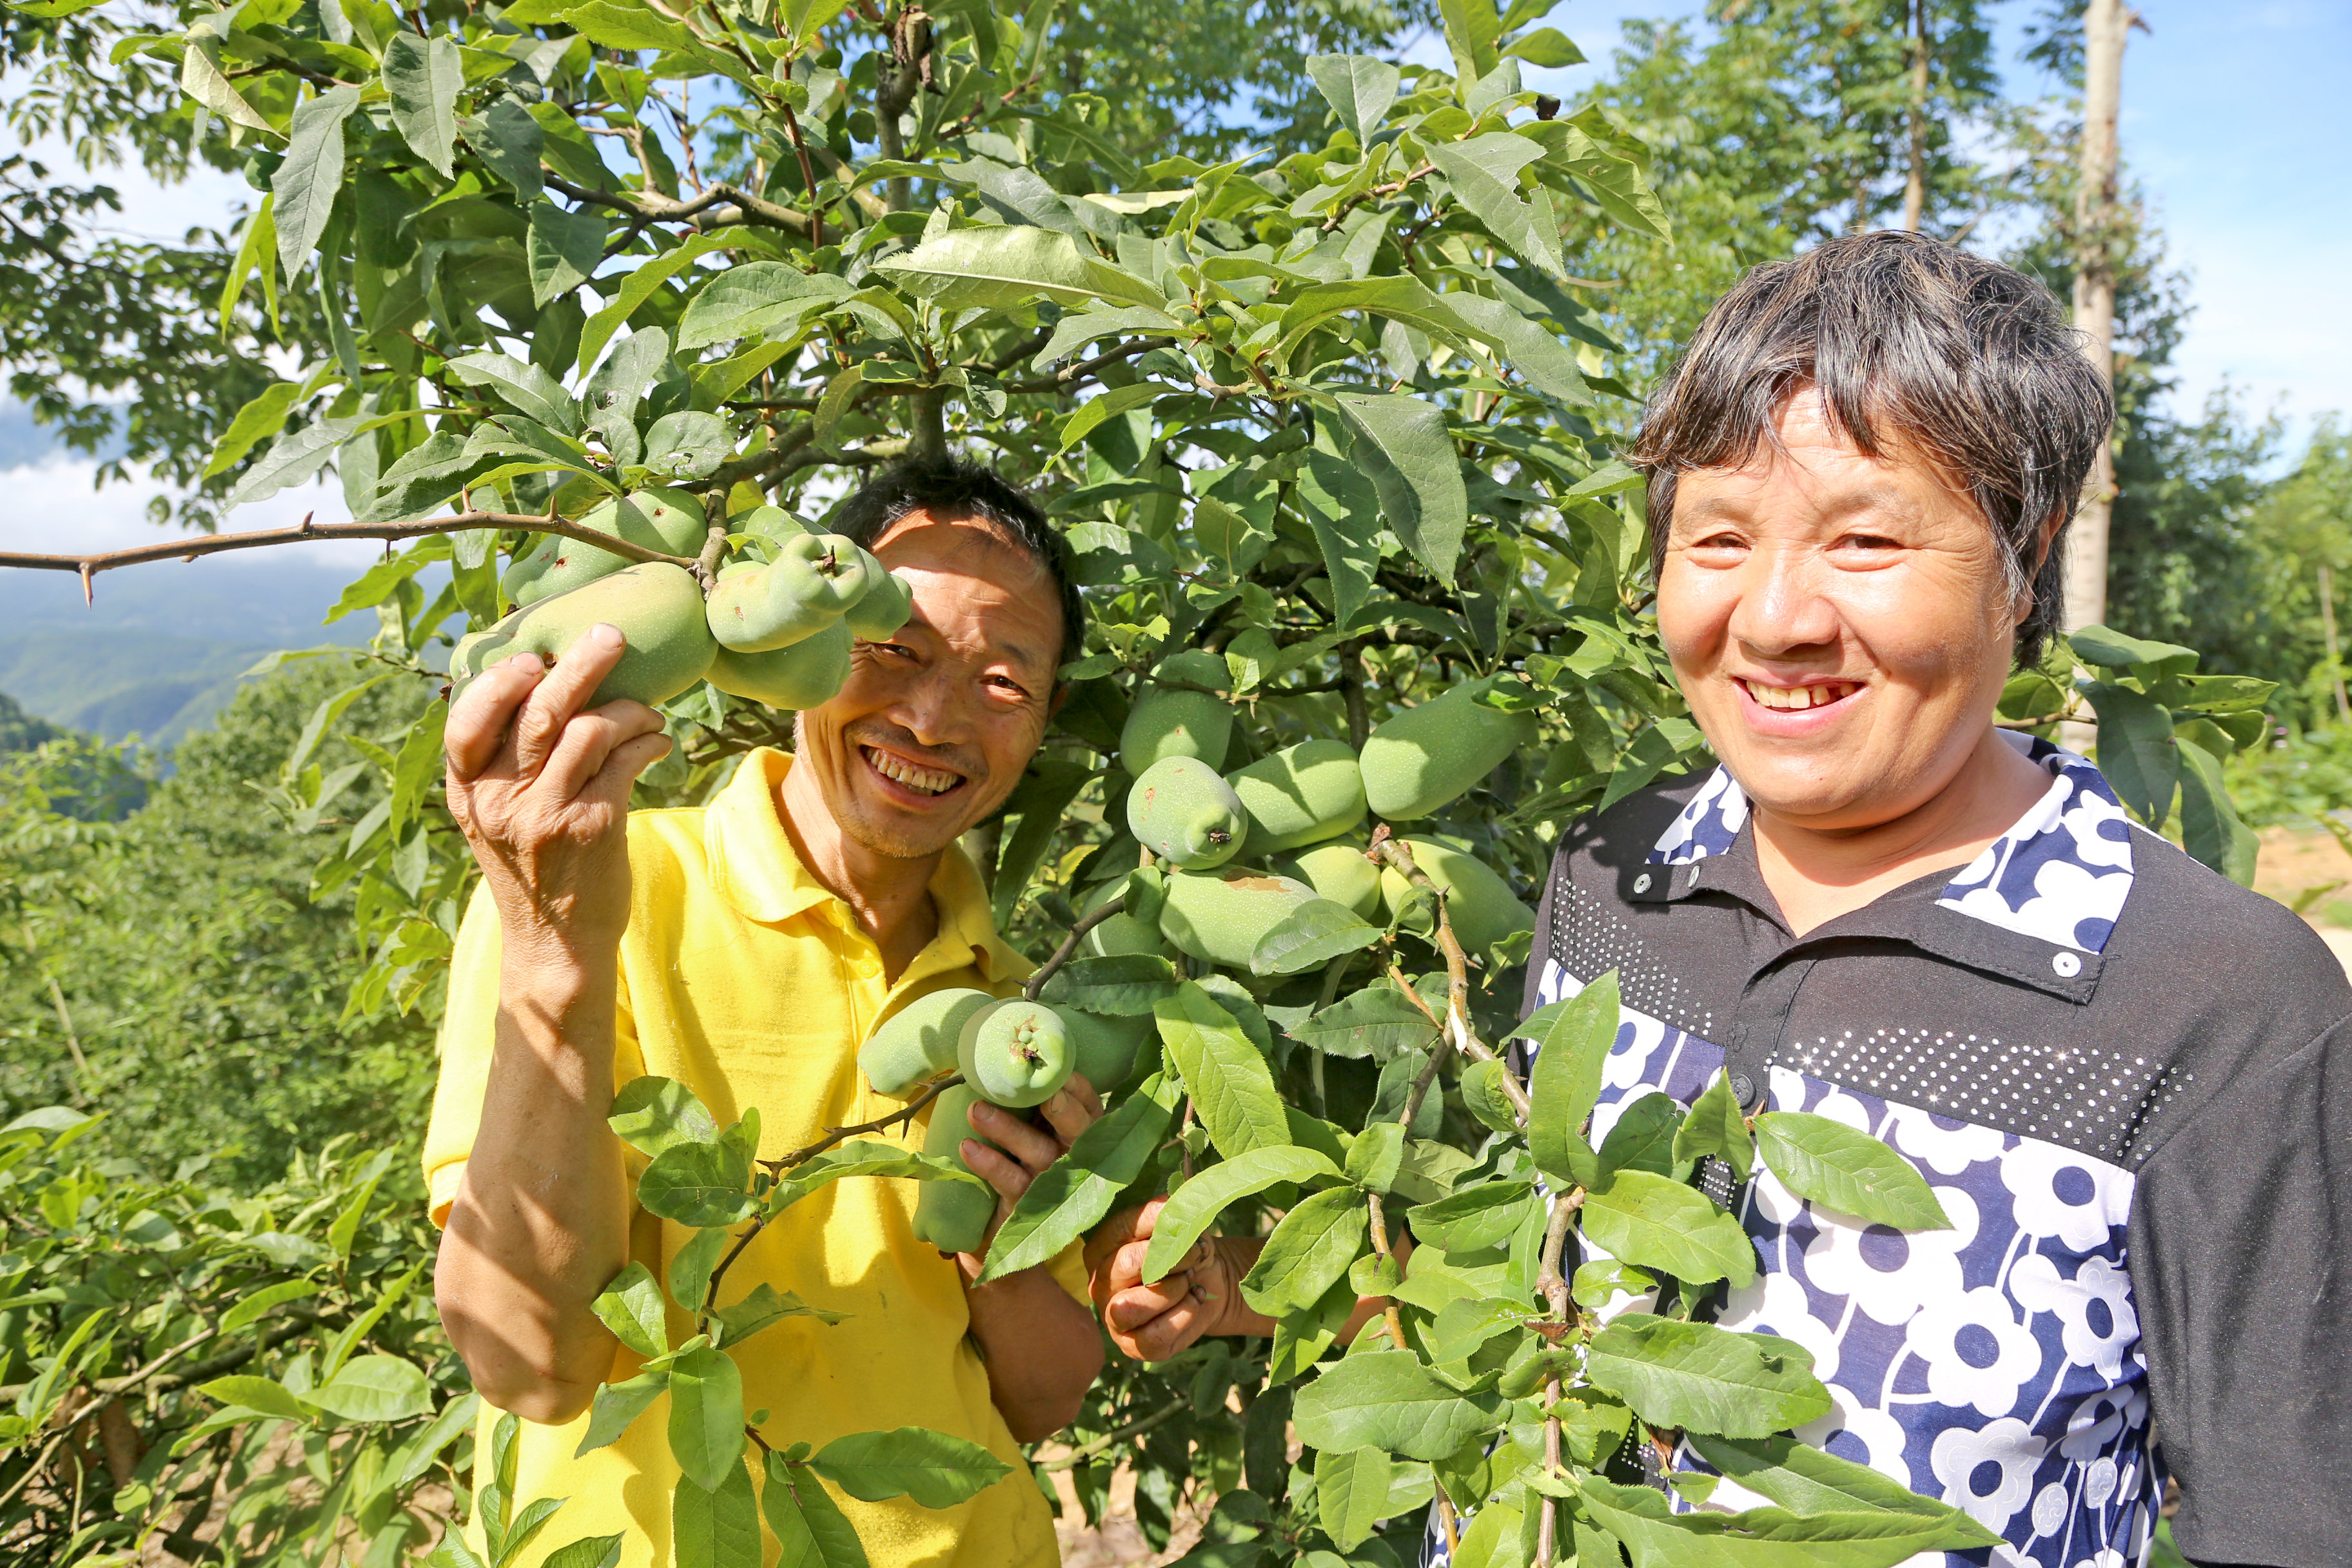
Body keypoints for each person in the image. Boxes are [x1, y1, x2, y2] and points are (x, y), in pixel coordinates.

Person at [1092, 231, 2352, 1568]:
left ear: (2023, 555)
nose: (1774, 618)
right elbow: (1547, 1300)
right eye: (1720, 536)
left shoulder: (2217, 1002)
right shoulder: (1610, 875)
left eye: (1865, 538)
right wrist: (1265, 1284)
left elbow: (2288, 1524)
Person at [424, 458, 1104, 1568]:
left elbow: (1043, 1402)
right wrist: (559, 953)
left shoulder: (1011, 998)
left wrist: (1009, 1241)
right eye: (896, 651)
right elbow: (525, 1365)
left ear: (1043, 720)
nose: (932, 720)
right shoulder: (586, 887)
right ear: (808, 649)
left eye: (1001, 681)